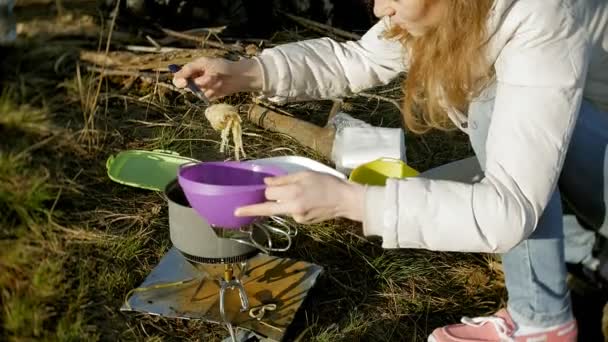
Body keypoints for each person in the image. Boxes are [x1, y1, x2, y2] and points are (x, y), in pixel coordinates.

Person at [173, 0, 608, 340]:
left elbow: (509, 208)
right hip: (584, 165)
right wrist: (247, 73)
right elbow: (355, 61)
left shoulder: (541, 15)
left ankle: (540, 324)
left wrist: (353, 200)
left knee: (492, 112)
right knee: (463, 169)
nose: (381, 9)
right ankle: (586, 253)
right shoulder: (458, 11)